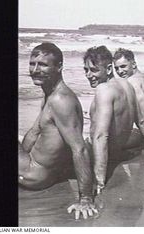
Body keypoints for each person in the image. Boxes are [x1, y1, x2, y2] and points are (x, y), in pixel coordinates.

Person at [18, 42, 98, 220]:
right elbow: (34, 132)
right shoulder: (50, 93)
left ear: (59, 66)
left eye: (43, 65)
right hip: (34, 169)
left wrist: (85, 198)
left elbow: (79, 148)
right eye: (32, 64)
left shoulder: (61, 100)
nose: (35, 70)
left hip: (35, 175)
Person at [82, 46, 144, 196]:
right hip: (117, 149)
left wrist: (99, 180)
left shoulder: (104, 90)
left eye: (94, 70)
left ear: (108, 69)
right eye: (86, 70)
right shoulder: (127, 85)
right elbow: (142, 121)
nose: (88, 75)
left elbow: (101, 136)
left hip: (101, 155)